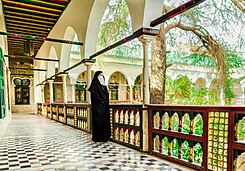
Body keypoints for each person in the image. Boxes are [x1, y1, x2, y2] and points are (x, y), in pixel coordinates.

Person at [88, 71, 111, 142]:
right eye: (100, 75)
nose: (102, 76)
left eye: (102, 75)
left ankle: (105, 137)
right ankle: (98, 137)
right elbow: (96, 98)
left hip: (104, 109)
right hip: (97, 109)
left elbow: (106, 96)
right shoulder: (94, 86)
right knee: (98, 123)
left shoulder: (104, 86)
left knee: (104, 123)